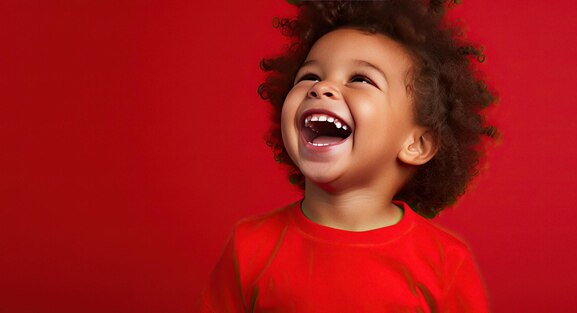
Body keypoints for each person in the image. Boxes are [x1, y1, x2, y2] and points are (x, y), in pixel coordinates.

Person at [202, 0, 497, 311]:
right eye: (309, 77)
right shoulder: (248, 248)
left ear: (417, 144)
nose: (322, 88)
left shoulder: (445, 262)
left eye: (360, 79)